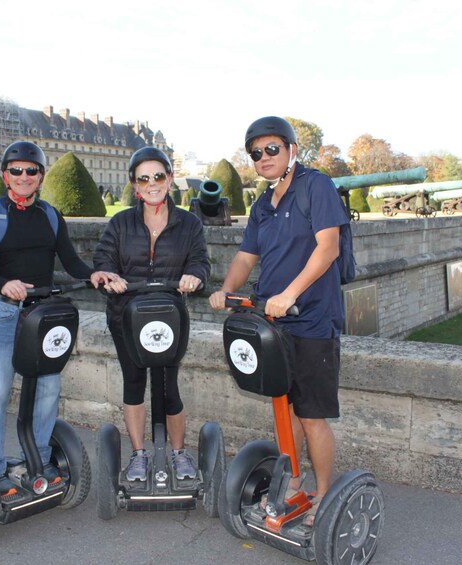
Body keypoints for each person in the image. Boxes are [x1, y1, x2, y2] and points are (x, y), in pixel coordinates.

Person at [208, 116, 350, 526]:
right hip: (274, 323)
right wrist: (226, 290)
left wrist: (289, 294)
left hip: (311, 321)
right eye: (256, 152)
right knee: (284, 411)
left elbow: (328, 248)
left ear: (291, 150)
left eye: (272, 148)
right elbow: (245, 257)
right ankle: (294, 481)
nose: (264, 157)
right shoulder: (262, 205)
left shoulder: (315, 186)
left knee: (311, 414)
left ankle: (324, 494)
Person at [0, 140, 116, 494]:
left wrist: (94, 275)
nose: (24, 177)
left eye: (31, 170)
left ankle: (36, 457)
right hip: (7, 313)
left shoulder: (50, 215)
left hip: (44, 315)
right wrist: (6, 284)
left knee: (49, 388)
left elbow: (70, 260)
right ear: (5, 175)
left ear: (41, 175)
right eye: (16, 171)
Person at [93, 146, 210, 482]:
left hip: (169, 318)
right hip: (126, 318)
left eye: (158, 176)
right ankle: (139, 455)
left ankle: (177, 453)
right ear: (135, 185)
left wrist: (195, 276)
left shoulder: (188, 223)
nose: (152, 184)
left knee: (169, 386)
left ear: (170, 179)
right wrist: (106, 275)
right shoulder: (120, 223)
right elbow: (103, 261)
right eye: (144, 179)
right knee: (134, 383)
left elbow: (201, 262)